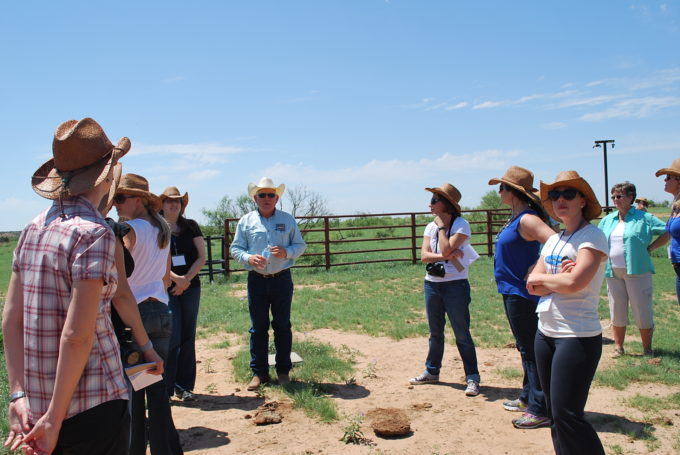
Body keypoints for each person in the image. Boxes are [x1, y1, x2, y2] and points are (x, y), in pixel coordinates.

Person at [3, 118, 131, 454]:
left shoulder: (32, 228)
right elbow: (77, 335)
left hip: (37, 401)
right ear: (108, 172)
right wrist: (54, 419)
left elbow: (11, 319)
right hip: (92, 402)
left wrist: (18, 395)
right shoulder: (94, 232)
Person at [526, 170, 608, 454]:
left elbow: (576, 282)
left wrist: (553, 281)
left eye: (569, 194)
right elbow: (531, 285)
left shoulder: (592, 236)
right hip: (545, 332)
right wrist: (557, 281)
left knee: (568, 415)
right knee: (554, 415)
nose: (561, 200)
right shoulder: (553, 240)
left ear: (583, 200)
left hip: (577, 335)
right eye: (555, 195)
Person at [113, 174, 183, 455]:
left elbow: (120, 273)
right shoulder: (162, 229)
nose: (116, 204)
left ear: (137, 200)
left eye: (120, 198)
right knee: (155, 387)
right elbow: (166, 277)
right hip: (161, 310)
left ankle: (135, 450)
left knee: (133, 391)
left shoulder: (130, 229)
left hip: (134, 313)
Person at [488, 166, 555, 429]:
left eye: (502, 187)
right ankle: (529, 397)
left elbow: (553, 241)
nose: (499, 191)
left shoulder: (527, 219)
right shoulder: (517, 217)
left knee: (530, 349)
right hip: (513, 291)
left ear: (514, 192)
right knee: (525, 347)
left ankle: (540, 408)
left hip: (522, 293)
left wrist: (537, 267)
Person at [230, 177, 307, 391]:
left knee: (282, 325)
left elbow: (300, 245)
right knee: (258, 328)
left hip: (282, 278)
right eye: (262, 195)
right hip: (257, 280)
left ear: (277, 197)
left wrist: (287, 252)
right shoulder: (246, 221)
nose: (266, 198)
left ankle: (283, 372)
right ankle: (259, 374)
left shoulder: (287, 220)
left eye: (270, 195)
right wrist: (248, 259)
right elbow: (235, 248)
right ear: (255, 198)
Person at [409, 183, 481, 397]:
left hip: (455, 285)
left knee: (462, 333)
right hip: (432, 283)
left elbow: (448, 247)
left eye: (434, 200)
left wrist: (442, 229)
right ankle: (432, 371)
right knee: (435, 332)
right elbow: (424, 256)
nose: (429, 204)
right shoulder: (429, 227)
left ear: (446, 204)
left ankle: (472, 378)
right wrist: (445, 255)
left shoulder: (461, 225)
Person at [597, 182, 666, 357]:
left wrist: (650, 248)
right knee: (616, 309)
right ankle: (618, 347)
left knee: (642, 310)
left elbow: (668, 231)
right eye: (613, 197)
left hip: (638, 270)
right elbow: (597, 239)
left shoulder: (644, 218)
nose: (615, 200)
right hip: (613, 272)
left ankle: (647, 349)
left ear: (630, 198)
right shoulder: (607, 220)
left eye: (619, 196)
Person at [160, 186, 206, 402]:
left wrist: (185, 280)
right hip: (165, 288)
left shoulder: (191, 226)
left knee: (188, 336)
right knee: (172, 337)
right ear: (161, 204)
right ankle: (165, 389)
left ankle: (184, 386)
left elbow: (201, 256)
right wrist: (174, 279)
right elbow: (153, 259)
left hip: (191, 287)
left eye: (177, 201)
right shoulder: (155, 227)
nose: (174, 204)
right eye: (169, 200)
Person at [648, 158, 680, 305]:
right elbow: (668, 234)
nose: (665, 180)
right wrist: (650, 248)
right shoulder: (675, 207)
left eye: (668, 177)